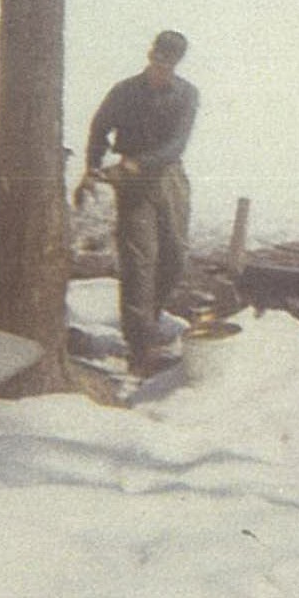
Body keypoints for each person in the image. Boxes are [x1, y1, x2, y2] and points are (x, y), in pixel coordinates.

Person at [74, 30, 199, 376]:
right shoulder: (125, 91)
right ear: (150, 55)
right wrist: (93, 167)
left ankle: (150, 318)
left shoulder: (186, 95)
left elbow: (177, 145)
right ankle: (140, 344)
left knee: (174, 255)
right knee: (139, 261)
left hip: (168, 177)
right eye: (158, 58)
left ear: (176, 63)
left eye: (168, 61)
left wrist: (140, 163)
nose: (161, 66)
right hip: (131, 183)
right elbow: (99, 128)